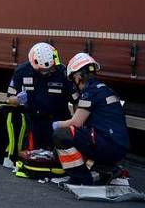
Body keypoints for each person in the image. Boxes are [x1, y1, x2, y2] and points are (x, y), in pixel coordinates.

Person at [52, 53, 130, 184]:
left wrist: (56, 125)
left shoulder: (89, 92)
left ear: (78, 76)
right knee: (60, 150)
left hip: (107, 144)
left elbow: (76, 122)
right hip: (117, 145)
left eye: (73, 78)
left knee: (62, 135)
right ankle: (105, 169)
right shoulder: (105, 89)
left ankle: (81, 178)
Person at [7, 42, 72, 149]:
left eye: (50, 69)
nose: (47, 73)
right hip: (33, 121)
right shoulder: (22, 71)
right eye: (43, 70)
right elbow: (9, 99)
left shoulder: (63, 73)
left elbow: (77, 102)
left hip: (58, 121)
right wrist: (18, 100)